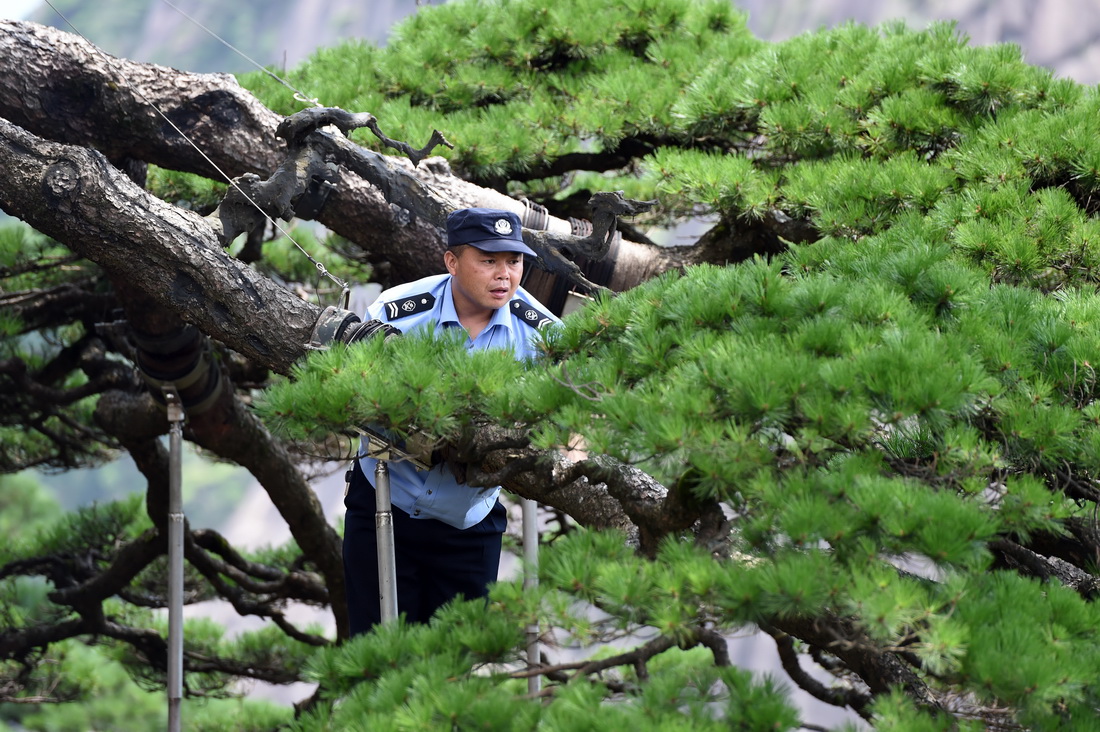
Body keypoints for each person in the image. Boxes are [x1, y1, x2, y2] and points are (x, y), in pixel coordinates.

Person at [343, 207, 561, 635]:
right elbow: (352, 396)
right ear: (452, 262)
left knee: (456, 676)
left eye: (514, 261)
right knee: (377, 666)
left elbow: (571, 421)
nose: (505, 275)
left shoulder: (541, 336)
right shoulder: (398, 313)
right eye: (489, 260)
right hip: (385, 505)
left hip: (470, 524)